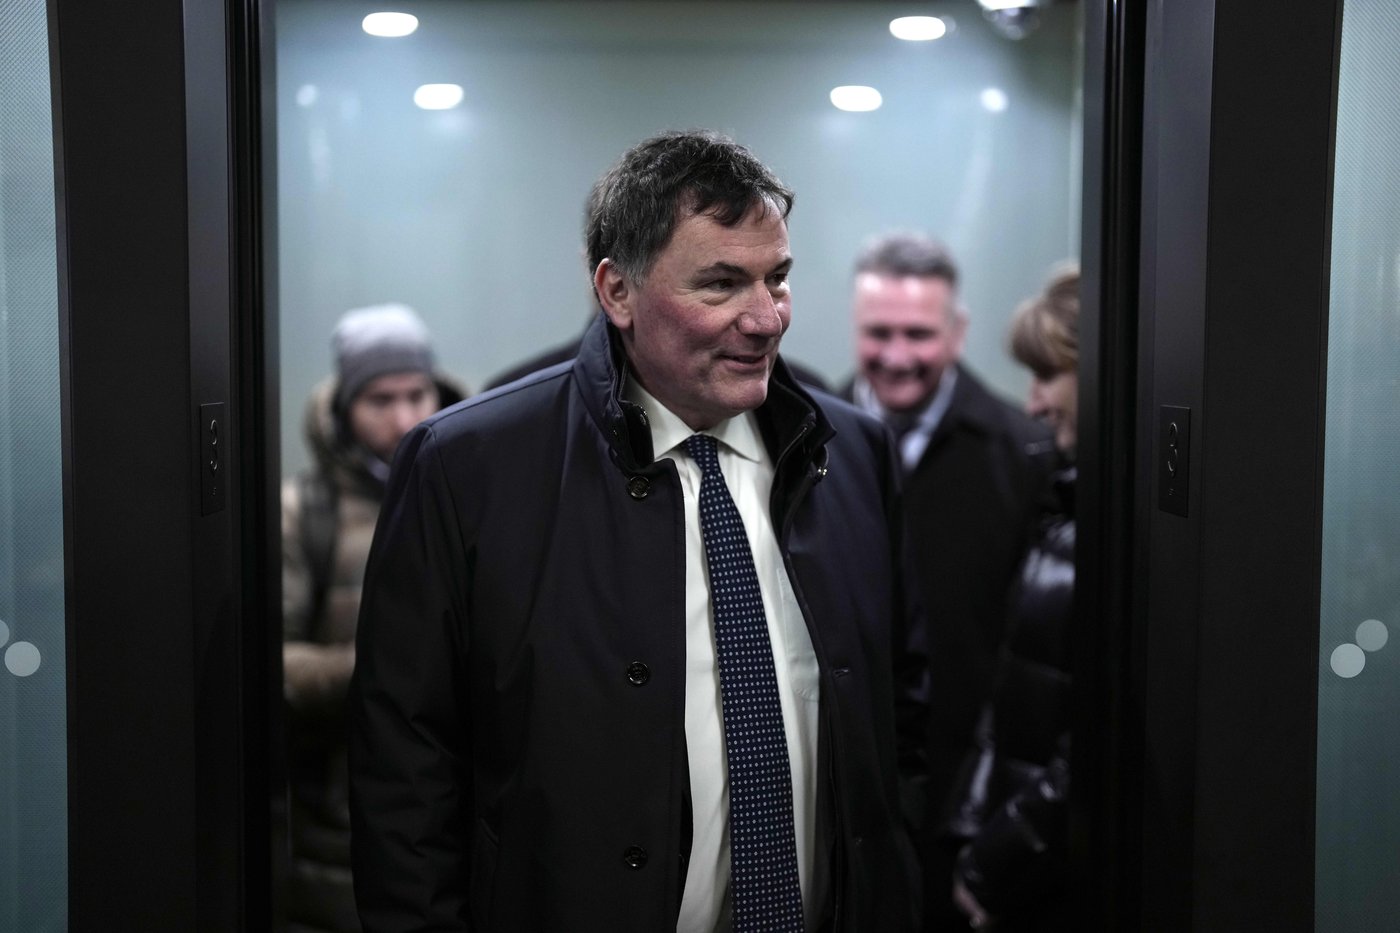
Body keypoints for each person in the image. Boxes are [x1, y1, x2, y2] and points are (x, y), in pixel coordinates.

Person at [348, 130, 926, 932]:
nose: (765, 318)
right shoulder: (469, 468)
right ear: (617, 291)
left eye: (778, 278)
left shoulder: (851, 454)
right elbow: (404, 773)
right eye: (721, 283)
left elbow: (906, 725)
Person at [839, 233, 1056, 930]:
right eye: (879, 332)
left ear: (957, 333)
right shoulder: (795, 439)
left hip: (960, 808)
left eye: (918, 334)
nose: (896, 356)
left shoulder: (1025, 454)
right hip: (831, 797)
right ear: (854, 327)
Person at [281, 303, 465, 933]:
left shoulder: (473, 491)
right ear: (345, 409)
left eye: (418, 394)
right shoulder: (304, 512)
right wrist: (377, 670)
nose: (405, 416)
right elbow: (269, 664)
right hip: (340, 814)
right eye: (381, 399)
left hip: (466, 803)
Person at [942, 266, 1079, 930]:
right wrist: (971, 842)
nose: (1034, 401)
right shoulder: (1065, 507)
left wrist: (998, 861)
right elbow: (1012, 696)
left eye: (1048, 375)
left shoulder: (1101, 528)